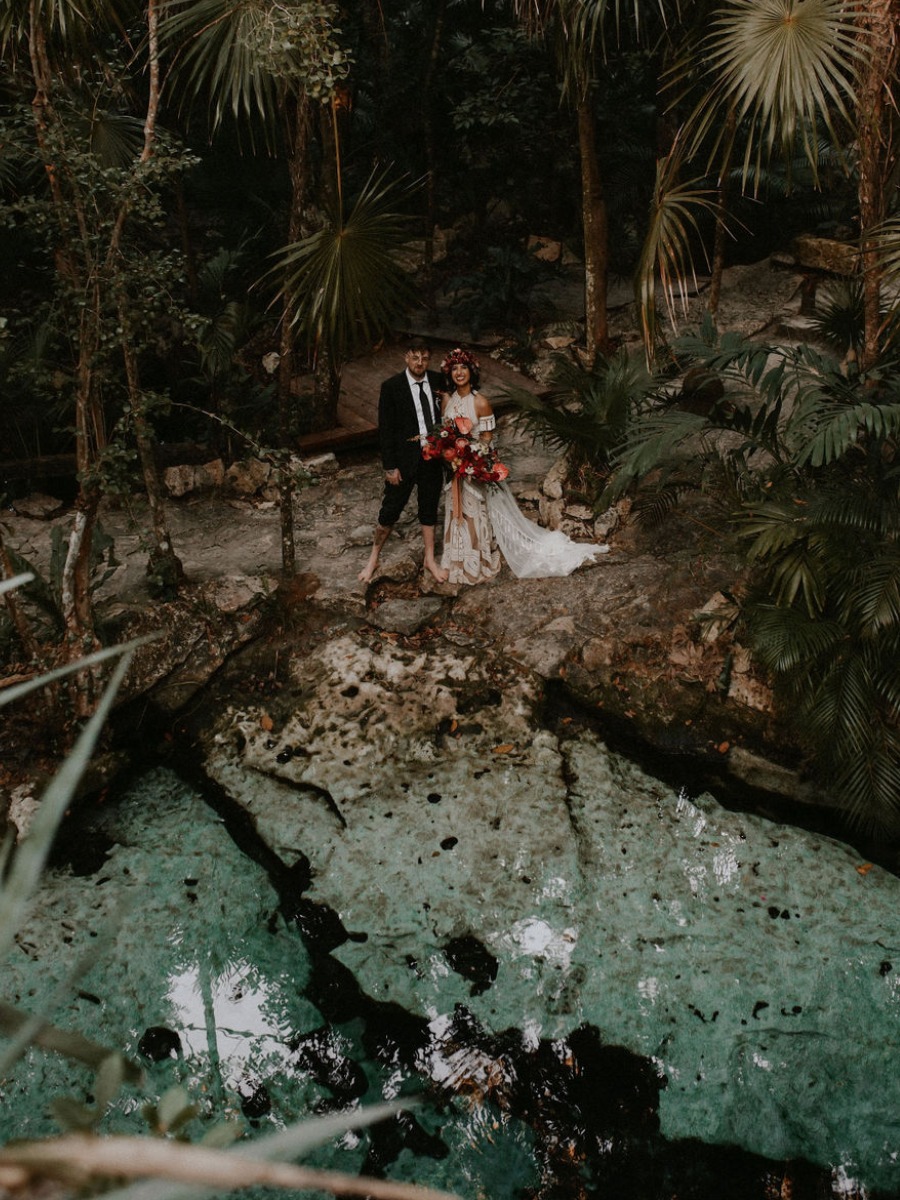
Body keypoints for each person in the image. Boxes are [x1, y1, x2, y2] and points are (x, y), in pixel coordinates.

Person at [438, 347, 608, 584]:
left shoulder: (480, 402)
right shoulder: (447, 400)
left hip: (473, 467)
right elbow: (445, 433)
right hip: (455, 470)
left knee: (474, 512)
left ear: (471, 371)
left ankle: (476, 561)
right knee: (456, 513)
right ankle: (456, 560)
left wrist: (473, 456)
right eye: (454, 368)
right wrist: (449, 452)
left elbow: (487, 438)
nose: (459, 373)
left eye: (463, 367)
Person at [358, 337, 449, 584]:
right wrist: (390, 466)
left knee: (429, 508)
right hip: (403, 460)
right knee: (390, 510)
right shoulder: (392, 387)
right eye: (415, 356)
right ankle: (373, 558)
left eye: (424, 358)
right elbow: (386, 429)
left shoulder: (438, 381)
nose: (419, 362)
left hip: (432, 457)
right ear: (406, 357)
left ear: (429, 360)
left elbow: (465, 387)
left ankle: (430, 559)